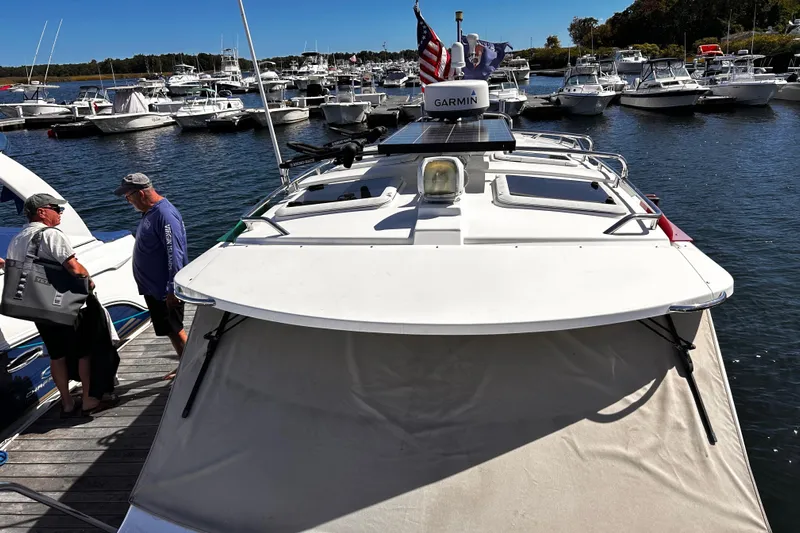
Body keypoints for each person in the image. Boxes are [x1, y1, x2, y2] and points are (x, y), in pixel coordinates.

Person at [5, 194, 109, 416]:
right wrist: (88, 280)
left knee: (56, 355)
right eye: (56, 209)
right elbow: (73, 267)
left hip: (38, 308)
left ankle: (67, 402)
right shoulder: (51, 235)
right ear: (42, 212)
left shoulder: (17, 239)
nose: (60, 213)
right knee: (84, 352)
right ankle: (90, 399)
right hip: (64, 305)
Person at [115, 173, 188, 379]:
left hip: (164, 289)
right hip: (154, 288)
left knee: (176, 329)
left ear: (140, 193)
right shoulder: (149, 212)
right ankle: (185, 363)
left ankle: (192, 366)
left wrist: (172, 288)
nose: (127, 201)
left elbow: (175, 252)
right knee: (170, 330)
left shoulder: (164, 215)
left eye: (128, 197)